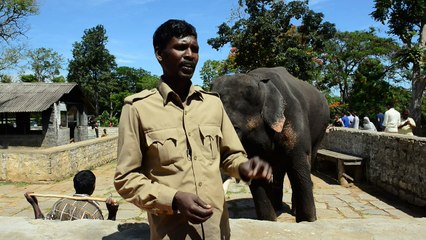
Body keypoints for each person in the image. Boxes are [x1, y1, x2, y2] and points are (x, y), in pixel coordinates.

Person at [114, 19, 273, 240]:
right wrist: (173, 199)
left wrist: (244, 167)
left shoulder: (212, 104)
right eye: (181, 47)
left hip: (218, 232)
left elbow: (230, 155)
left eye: (195, 49)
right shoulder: (138, 109)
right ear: (160, 54)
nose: (190, 55)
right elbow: (126, 179)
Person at [25, 170, 119, 221]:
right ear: (93, 187)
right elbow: (102, 233)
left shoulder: (60, 203)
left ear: (74, 185)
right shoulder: (93, 212)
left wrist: (34, 204)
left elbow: (42, 224)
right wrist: (112, 213)